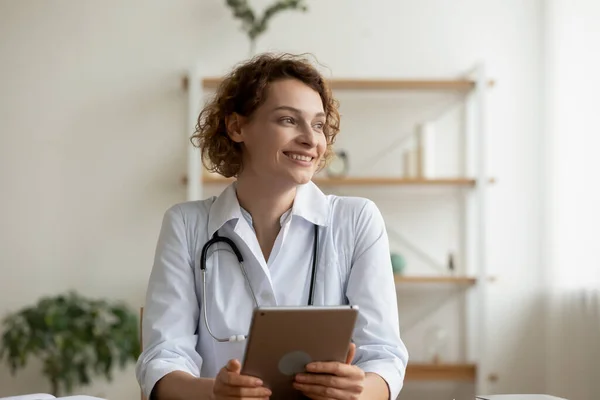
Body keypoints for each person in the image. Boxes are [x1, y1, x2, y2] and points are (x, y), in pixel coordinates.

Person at [136, 52, 409, 400]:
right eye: (288, 120)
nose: (311, 140)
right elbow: (162, 359)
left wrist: (360, 391)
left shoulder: (355, 221)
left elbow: (384, 355)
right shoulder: (186, 225)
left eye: (319, 124)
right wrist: (213, 394)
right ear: (237, 127)